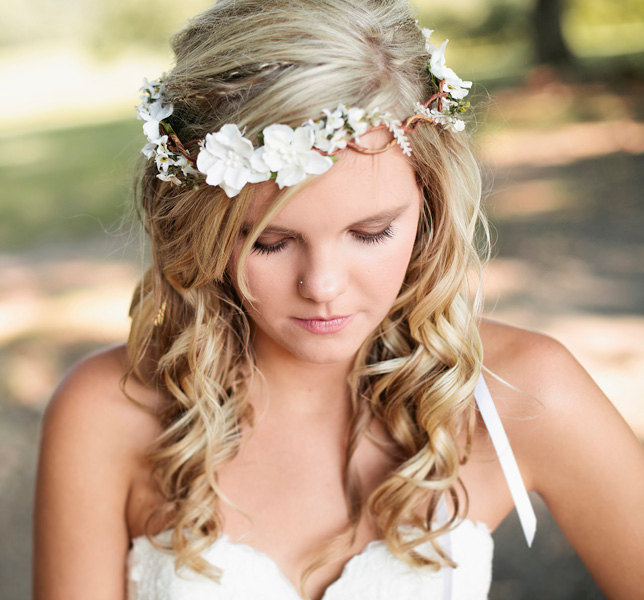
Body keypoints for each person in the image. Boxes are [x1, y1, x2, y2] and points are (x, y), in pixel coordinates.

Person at [33, 1, 644, 598]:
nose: (321, 286)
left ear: (430, 205)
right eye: (270, 242)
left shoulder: (528, 391)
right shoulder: (106, 413)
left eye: (371, 232)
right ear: (199, 229)